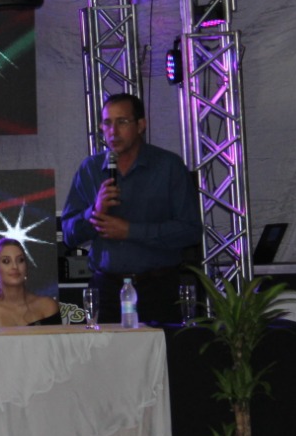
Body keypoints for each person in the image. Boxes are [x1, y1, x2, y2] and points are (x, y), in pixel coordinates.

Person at [62, 92, 203, 324]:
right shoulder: (90, 169)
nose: (113, 131)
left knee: (162, 347)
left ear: (140, 125)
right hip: (107, 290)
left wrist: (130, 231)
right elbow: (69, 235)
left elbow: (190, 231)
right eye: (107, 123)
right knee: (104, 348)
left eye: (122, 122)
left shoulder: (168, 166)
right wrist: (94, 211)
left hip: (158, 288)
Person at [0, 238, 61, 327]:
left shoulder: (47, 306)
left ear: (26, 266)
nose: (15, 266)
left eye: (20, 260)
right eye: (6, 261)